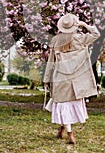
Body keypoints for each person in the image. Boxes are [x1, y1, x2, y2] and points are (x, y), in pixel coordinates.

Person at [43, 13, 100, 144]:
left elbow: (50, 62)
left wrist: (46, 79)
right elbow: (96, 34)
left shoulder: (56, 41)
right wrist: (85, 25)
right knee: (68, 105)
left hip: (61, 78)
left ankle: (69, 134)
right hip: (76, 79)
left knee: (63, 105)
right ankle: (63, 131)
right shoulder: (80, 38)